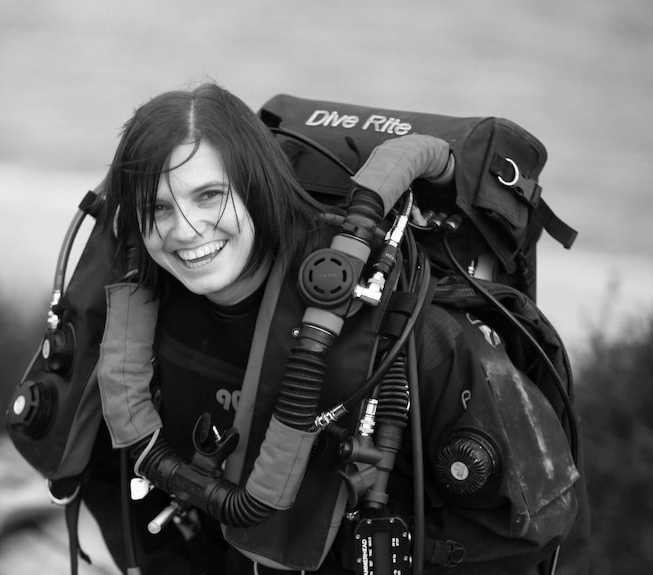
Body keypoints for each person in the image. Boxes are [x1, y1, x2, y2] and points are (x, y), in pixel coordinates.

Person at [80, 82, 588, 575]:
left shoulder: (417, 336)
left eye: (210, 196)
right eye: (160, 207)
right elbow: (107, 470)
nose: (185, 231)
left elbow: (539, 523)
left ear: (256, 187)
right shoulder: (141, 321)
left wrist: (359, 552)